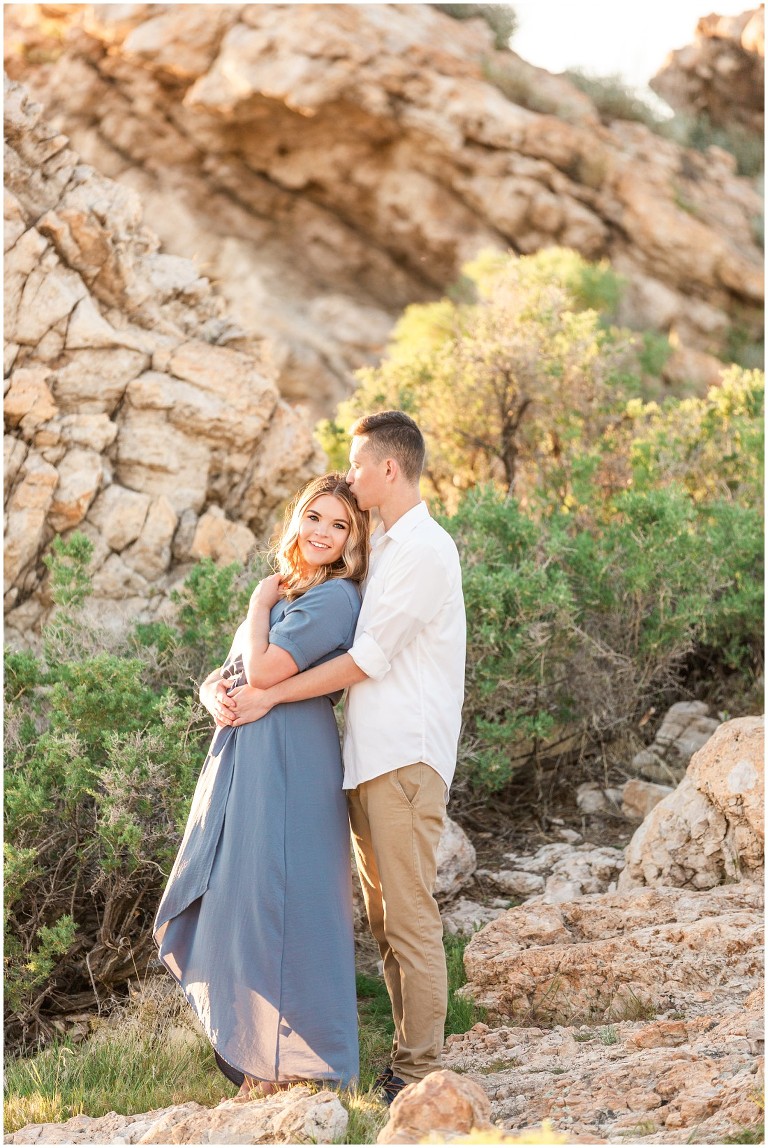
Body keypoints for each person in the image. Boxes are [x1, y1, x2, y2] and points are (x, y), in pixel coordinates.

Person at [221, 411, 466, 1105]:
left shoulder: (425, 550)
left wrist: (270, 695)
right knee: (385, 919)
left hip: (406, 760)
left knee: (409, 916)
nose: (350, 476)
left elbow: (366, 658)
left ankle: (419, 1072)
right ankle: (400, 1059)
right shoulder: (383, 544)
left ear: (389, 469)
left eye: (358, 466)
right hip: (364, 762)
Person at [153, 474, 370, 1098]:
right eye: (316, 518)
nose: (324, 533)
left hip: (289, 755)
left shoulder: (332, 598)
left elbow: (269, 667)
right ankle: (257, 1059)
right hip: (245, 751)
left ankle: (302, 1064)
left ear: (354, 540)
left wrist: (255, 602)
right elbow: (235, 671)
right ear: (296, 519)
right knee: (239, 896)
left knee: (283, 901)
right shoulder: (291, 590)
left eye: (340, 526)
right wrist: (208, 692)